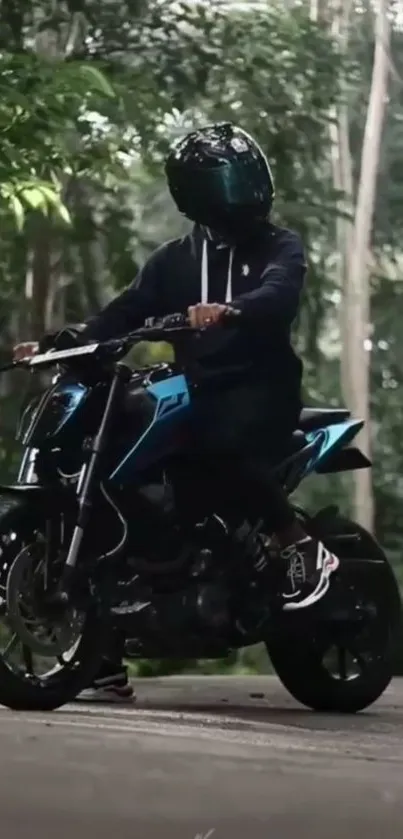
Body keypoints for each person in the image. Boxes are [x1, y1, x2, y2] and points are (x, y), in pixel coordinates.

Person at [14, 123, 339, 703]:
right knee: (114, 474)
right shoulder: (174, 260)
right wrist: (60, 342)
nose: (240, 190)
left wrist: (231, 311)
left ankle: (299, 544)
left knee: (222, 445)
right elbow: (125, 311)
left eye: (244, 175)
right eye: (224, 180)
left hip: (259, 391)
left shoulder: (278, 245)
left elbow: (280, 294)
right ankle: (103, 658)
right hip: (198, 387)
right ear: (194, 193)